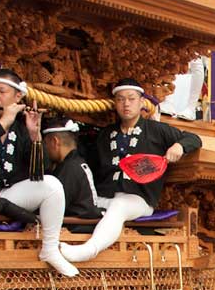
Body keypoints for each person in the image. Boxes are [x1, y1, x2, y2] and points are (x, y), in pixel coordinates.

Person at [60, 78, 201, 263]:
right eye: (120, 99)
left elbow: (194, 138)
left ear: (142, 102)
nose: (126, 104)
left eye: (131, 98)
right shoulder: (105, 135)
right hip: (105, 197)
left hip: (138, 200)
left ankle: (89, 250)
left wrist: (179, 147)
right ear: (115, 104)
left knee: (120, 206)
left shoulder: (156, 130)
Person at [0, 68, 78, 277]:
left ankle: (50, 248)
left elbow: (39, 172)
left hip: (7, 196)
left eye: (2, 92)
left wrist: (35, 136)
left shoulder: (23, 128)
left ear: (17, 97)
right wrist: (3, 123)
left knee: (52, 185)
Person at [42, 117, 103, 220]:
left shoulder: (70, 169)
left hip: (77, 227)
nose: (46, 149)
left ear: (55, 142)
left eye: (46, 144)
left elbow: (55, 206)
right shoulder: (76, 163)